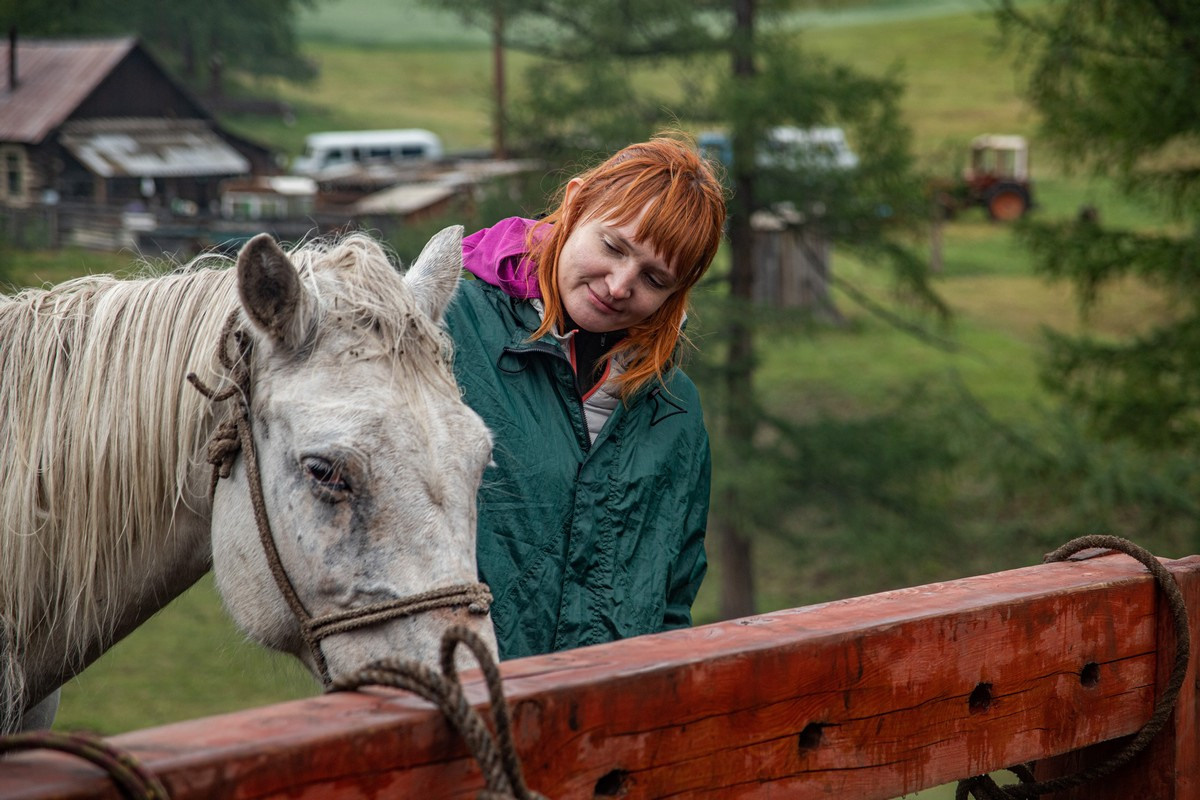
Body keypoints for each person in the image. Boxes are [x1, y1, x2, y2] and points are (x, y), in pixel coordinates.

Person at [444, 134, 727, 660]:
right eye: (614, 247)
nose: (620, 285)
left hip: (613, 719)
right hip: (468, 701)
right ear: (575, 204)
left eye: (654, 277)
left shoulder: (675, 411)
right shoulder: (450, 326)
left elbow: (673, 600)